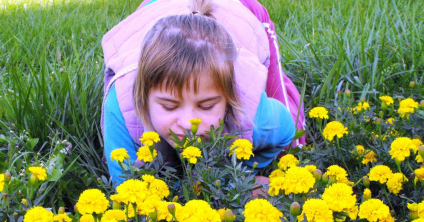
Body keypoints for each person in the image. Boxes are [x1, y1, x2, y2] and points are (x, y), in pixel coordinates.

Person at [102, 0, 305, 186]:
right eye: (169, 106)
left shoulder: (252, 111)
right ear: (143, 98)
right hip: (155, 8)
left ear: (229, 98)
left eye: (206, 105)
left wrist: (239, 176)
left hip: (241, 9)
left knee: (297, 140)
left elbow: (286, 132)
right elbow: (126, 188)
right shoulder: (121, 106)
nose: (189, 123)